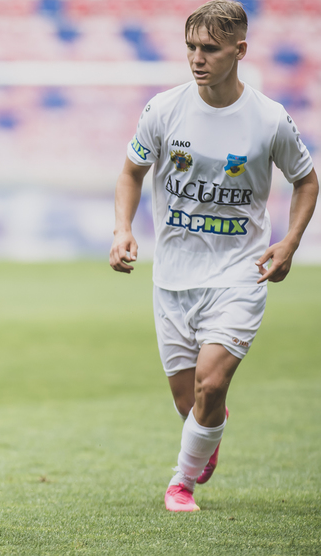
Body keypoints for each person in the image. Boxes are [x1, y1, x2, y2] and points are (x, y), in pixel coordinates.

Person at [109, 0, 318, 512]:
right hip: (173, 277)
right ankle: (208, 431)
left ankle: (180, 484)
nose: (197, 58)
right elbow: (131, 172)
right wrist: (122, 229)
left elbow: (306, 181)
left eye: (210, 48)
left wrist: (290, 242)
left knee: (211, 381)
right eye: (191, 47)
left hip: (239, 274)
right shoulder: (163, 110)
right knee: (191, 401)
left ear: (239, 51)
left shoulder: (269, 119)